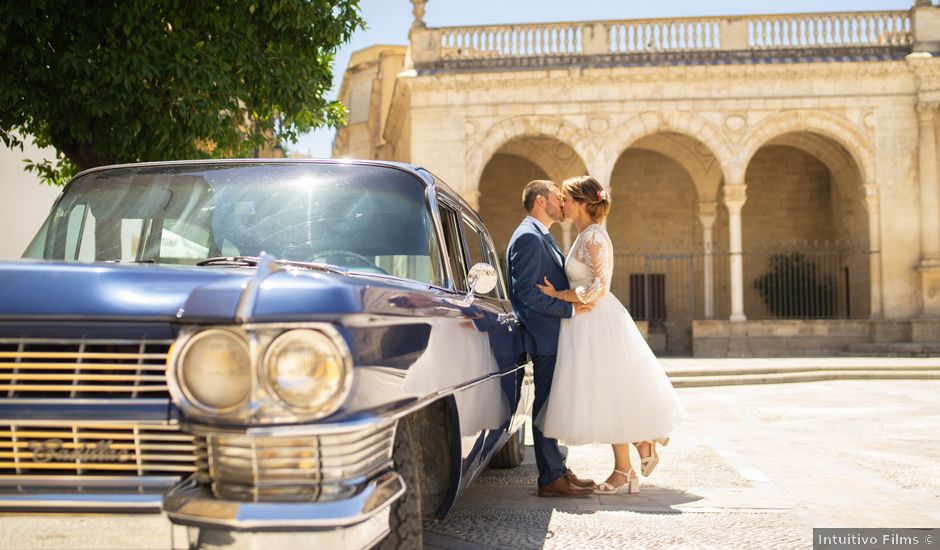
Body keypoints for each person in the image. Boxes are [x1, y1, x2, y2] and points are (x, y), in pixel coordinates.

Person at [535, 175, 686, 495]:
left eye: (566, 198)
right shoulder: (583, 235)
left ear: (581, 203)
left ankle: (632, 457)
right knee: (604, 393)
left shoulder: (593, 237)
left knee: (606, 390)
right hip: (584, 322)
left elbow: (598, 288)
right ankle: (633, 457)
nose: (561, 202)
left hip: (597, 321)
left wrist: (558, 295)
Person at [506, 180, 596, 498]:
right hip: (545, 336)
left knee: (553, 405)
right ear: (541, 201)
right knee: (545, 406)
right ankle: (550, 478)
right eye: (559, 198)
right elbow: (526, 294)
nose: (564, 203)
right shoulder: (529, 238)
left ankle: (557, 469)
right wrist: (569, 310)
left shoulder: (540, 235)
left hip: (553, 334)